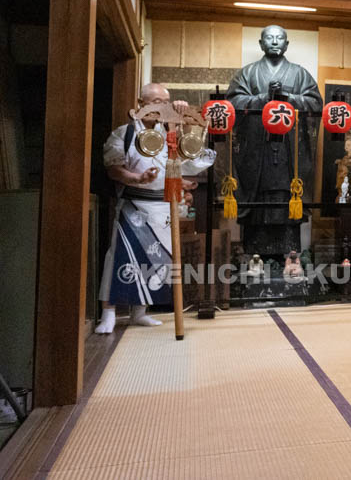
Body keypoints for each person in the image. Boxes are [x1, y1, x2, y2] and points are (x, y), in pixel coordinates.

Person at [95, 83, 216, 333]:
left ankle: (139, 312)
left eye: (166, 102)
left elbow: (180, 162)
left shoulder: (169, 135)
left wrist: (181, 182)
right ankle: (108, 312)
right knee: (121, 257)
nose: (161, 106)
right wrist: (136, 178)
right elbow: (113, 168)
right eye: (156, 101)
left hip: (163, 205)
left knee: (156, 259)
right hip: (134, 205)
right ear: (141, 103)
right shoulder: (125, 133)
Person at [227, 25, 323, 258]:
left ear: (287, 44)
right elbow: (233, 103)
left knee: (287, 195)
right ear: (261, 44)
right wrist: (263, 98)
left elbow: (316, 104)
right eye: (269, 38)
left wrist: (287, 98)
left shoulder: (299, 74)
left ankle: (288, 257)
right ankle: (255, 256)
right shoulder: (247, 73)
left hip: (290, 151)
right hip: (257, 150)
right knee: (258, 199)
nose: (274, 42)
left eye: (280, 38)